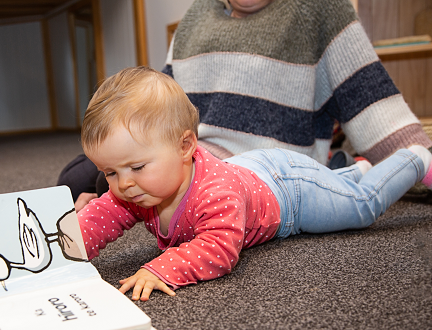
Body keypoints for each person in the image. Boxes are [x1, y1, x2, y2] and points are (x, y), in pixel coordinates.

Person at [77, 66, 432, 302]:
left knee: (360, 206)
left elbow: (220, 249)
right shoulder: (135, 188)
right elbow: (97, 218)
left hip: (290, 191)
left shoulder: (214, 193)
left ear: (185, 147)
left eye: (136, 166)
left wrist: (161, 268)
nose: (122, 184)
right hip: (251, 172)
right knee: (339, 188)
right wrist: (62, 252)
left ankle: (414, 159)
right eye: (110, 172)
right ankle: (355, 170)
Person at [59, 0, 432, 210]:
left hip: (264, 172)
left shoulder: (321, 10)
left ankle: (344, 170)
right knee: (80, 174)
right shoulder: (196, 18)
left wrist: (419, 160)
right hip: (190, 151)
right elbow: (159, 104)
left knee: (107, 183)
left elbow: (377, 107)